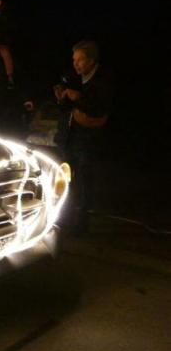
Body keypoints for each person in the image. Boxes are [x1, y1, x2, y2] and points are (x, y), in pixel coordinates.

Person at [54, 40, 114, 234]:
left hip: (87, 138)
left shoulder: (103, 80)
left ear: (92, 60)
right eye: (74, 59)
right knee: (65, 177)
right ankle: (62, 216)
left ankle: (81, 222)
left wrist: (79, 99)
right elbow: (65, 109)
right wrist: (61, 97)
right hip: (69, 136)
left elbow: (100, 109)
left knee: (84, 179)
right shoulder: (72, 77)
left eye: (80, 60)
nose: (76, 64)